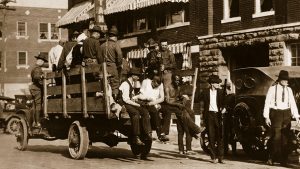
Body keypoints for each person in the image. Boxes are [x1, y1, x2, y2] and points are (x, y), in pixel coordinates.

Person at [263, 70, 300, 166]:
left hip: (287, 114)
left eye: (287, 80)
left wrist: (296, 116)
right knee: (276, 137)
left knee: (285, 139)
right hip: (276, 113)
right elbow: (267, 103)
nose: (286, 82)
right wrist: (266, 117)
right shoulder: (272, 89)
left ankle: (283, 160)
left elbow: (292, 103)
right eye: (284, 80)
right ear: (279, 80)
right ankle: (271, 158)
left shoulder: (289, 90)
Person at [163, 74, 205, 154]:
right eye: (176, 80)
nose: (177, 81)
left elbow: (179, 97)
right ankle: (195, 130)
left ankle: (185, 148)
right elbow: (168, 101)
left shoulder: (178, 87)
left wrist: (183, 98)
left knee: (186, 121)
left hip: (178, 108)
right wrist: (178, 104)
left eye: (179, 80)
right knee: (182, 129)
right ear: (172, 79)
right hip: (170, 107)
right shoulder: (167, 88)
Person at [119, 68, 152, 146]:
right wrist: (137, 104)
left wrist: (137, 99)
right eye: (137, 76)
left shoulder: (132, 83)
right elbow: (126, 99)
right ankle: (136, 136)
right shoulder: (125, 84)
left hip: (129, 102)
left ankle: (147, 133)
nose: (138, 77)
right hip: (123, 103)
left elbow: (132, 96)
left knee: (144, 111)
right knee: (135, 113)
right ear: (132, 75)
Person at [134, 71, 169, 141]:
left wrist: (153, 103)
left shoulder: (160, 85)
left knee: (157, 112)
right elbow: (141, 95)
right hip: (143, 101)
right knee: (147, 112)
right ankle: (149, 133)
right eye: (155, 85)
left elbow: (161, 98)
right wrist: (148, 99)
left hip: (152, 103)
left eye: (157, 86)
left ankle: (161, 134)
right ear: (152, 81)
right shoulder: (146, 82)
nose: (156, 87)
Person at [199, 74, 226, 164]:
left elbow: (225, 103)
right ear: (212, 84)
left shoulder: (221, 92)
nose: (219, 84)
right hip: (209, 115)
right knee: (211, 136)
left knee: (220, 136)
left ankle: (221, 157)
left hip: (218, 115)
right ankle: (213, 157)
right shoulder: (205, 92)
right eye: (217, 83)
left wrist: (224, 108)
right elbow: (197, 99)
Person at [100, 26, 123, 99]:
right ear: (116, 37)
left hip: (103, 68)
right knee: (115, 85)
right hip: (112, 67)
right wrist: (119, 65)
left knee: (104, 85)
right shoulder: (115, 44)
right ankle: (114, 102)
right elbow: (119, 56)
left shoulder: (102, 45)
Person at [29, 53, 48, 127]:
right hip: (37, 89)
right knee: (38, 105)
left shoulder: (34, 67)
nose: (43, 63)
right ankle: (37, 122)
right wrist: (42, 77)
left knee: (34, 105)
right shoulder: (37, 68)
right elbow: (36, 77)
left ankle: (34, 121)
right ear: (40, 61)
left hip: (33, 88)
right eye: (43, 62)